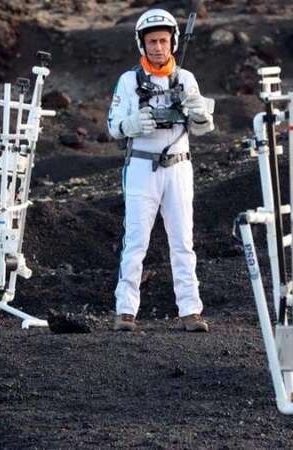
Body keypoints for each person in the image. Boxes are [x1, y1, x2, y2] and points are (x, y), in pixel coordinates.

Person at [107, 8, 214, 332]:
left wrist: (200, 115)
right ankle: (126, 311)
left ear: (173, 42)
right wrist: (131, 123)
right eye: (152, 41)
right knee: (136, 241)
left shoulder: (186, 79)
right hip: (141, 166)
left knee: (183, 241)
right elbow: (113, 127)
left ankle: (190, 311)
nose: (157, 47)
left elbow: (204, 128)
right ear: (142, 44)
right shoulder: (128, 82)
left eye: (163, 40)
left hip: (179, 167)